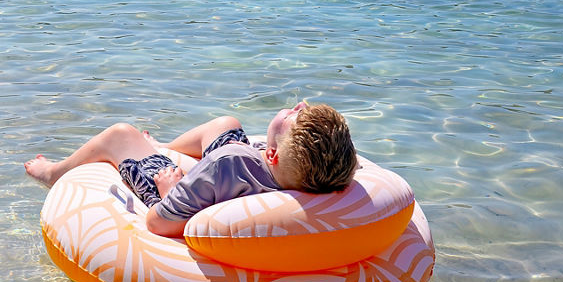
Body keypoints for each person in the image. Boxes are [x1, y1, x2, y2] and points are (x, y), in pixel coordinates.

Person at [24, 102, 358, 238]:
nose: (298, 106)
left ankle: (53, 174)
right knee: (227, 124)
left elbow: (159, 222)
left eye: (291, 117)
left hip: (186, 189)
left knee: (120, 134)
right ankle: (163, 146)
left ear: (272, 153)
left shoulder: (225, 164)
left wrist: (171, 189)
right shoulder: (300, 175)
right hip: (247, 171)